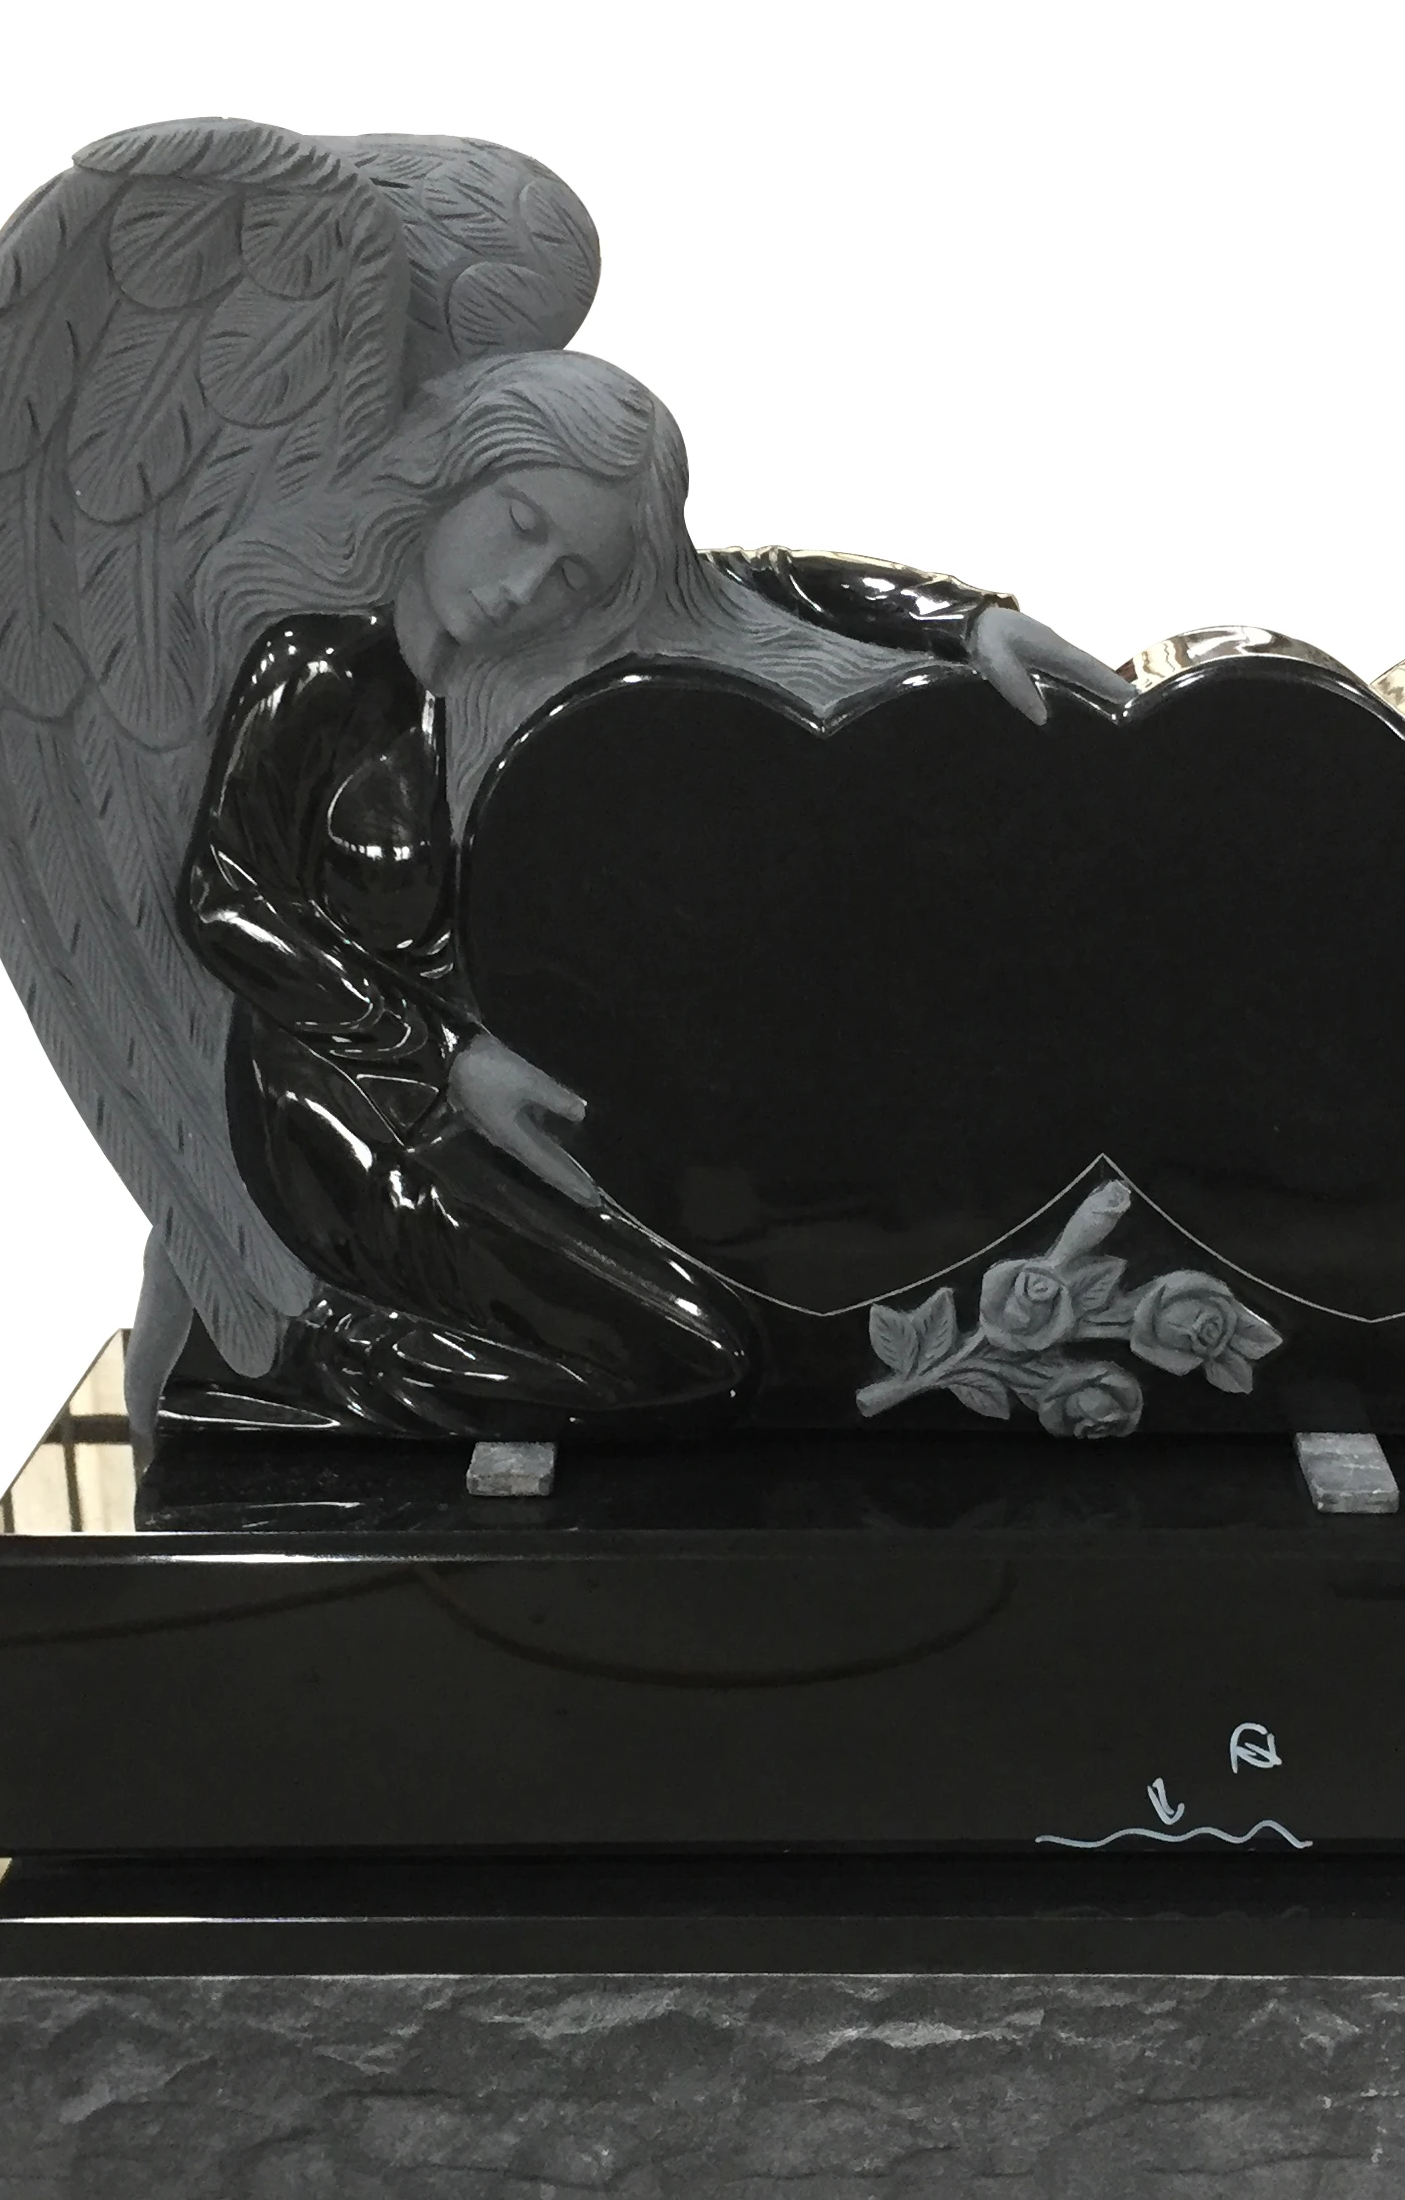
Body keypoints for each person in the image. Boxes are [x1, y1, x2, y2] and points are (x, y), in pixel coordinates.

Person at [145, 351, 1125, 1439]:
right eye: (520, 523)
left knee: (733, 1305)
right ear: (461, 470)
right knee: (693, 1358)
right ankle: (306, 1360)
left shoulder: (541, 668)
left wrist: (963, 622)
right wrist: (443, 1055)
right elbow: (224, 899)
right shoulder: (317, 669)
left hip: (511, 1094)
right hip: (347, 1097)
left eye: (571, 573)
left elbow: (750, 583)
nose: (523, 588)